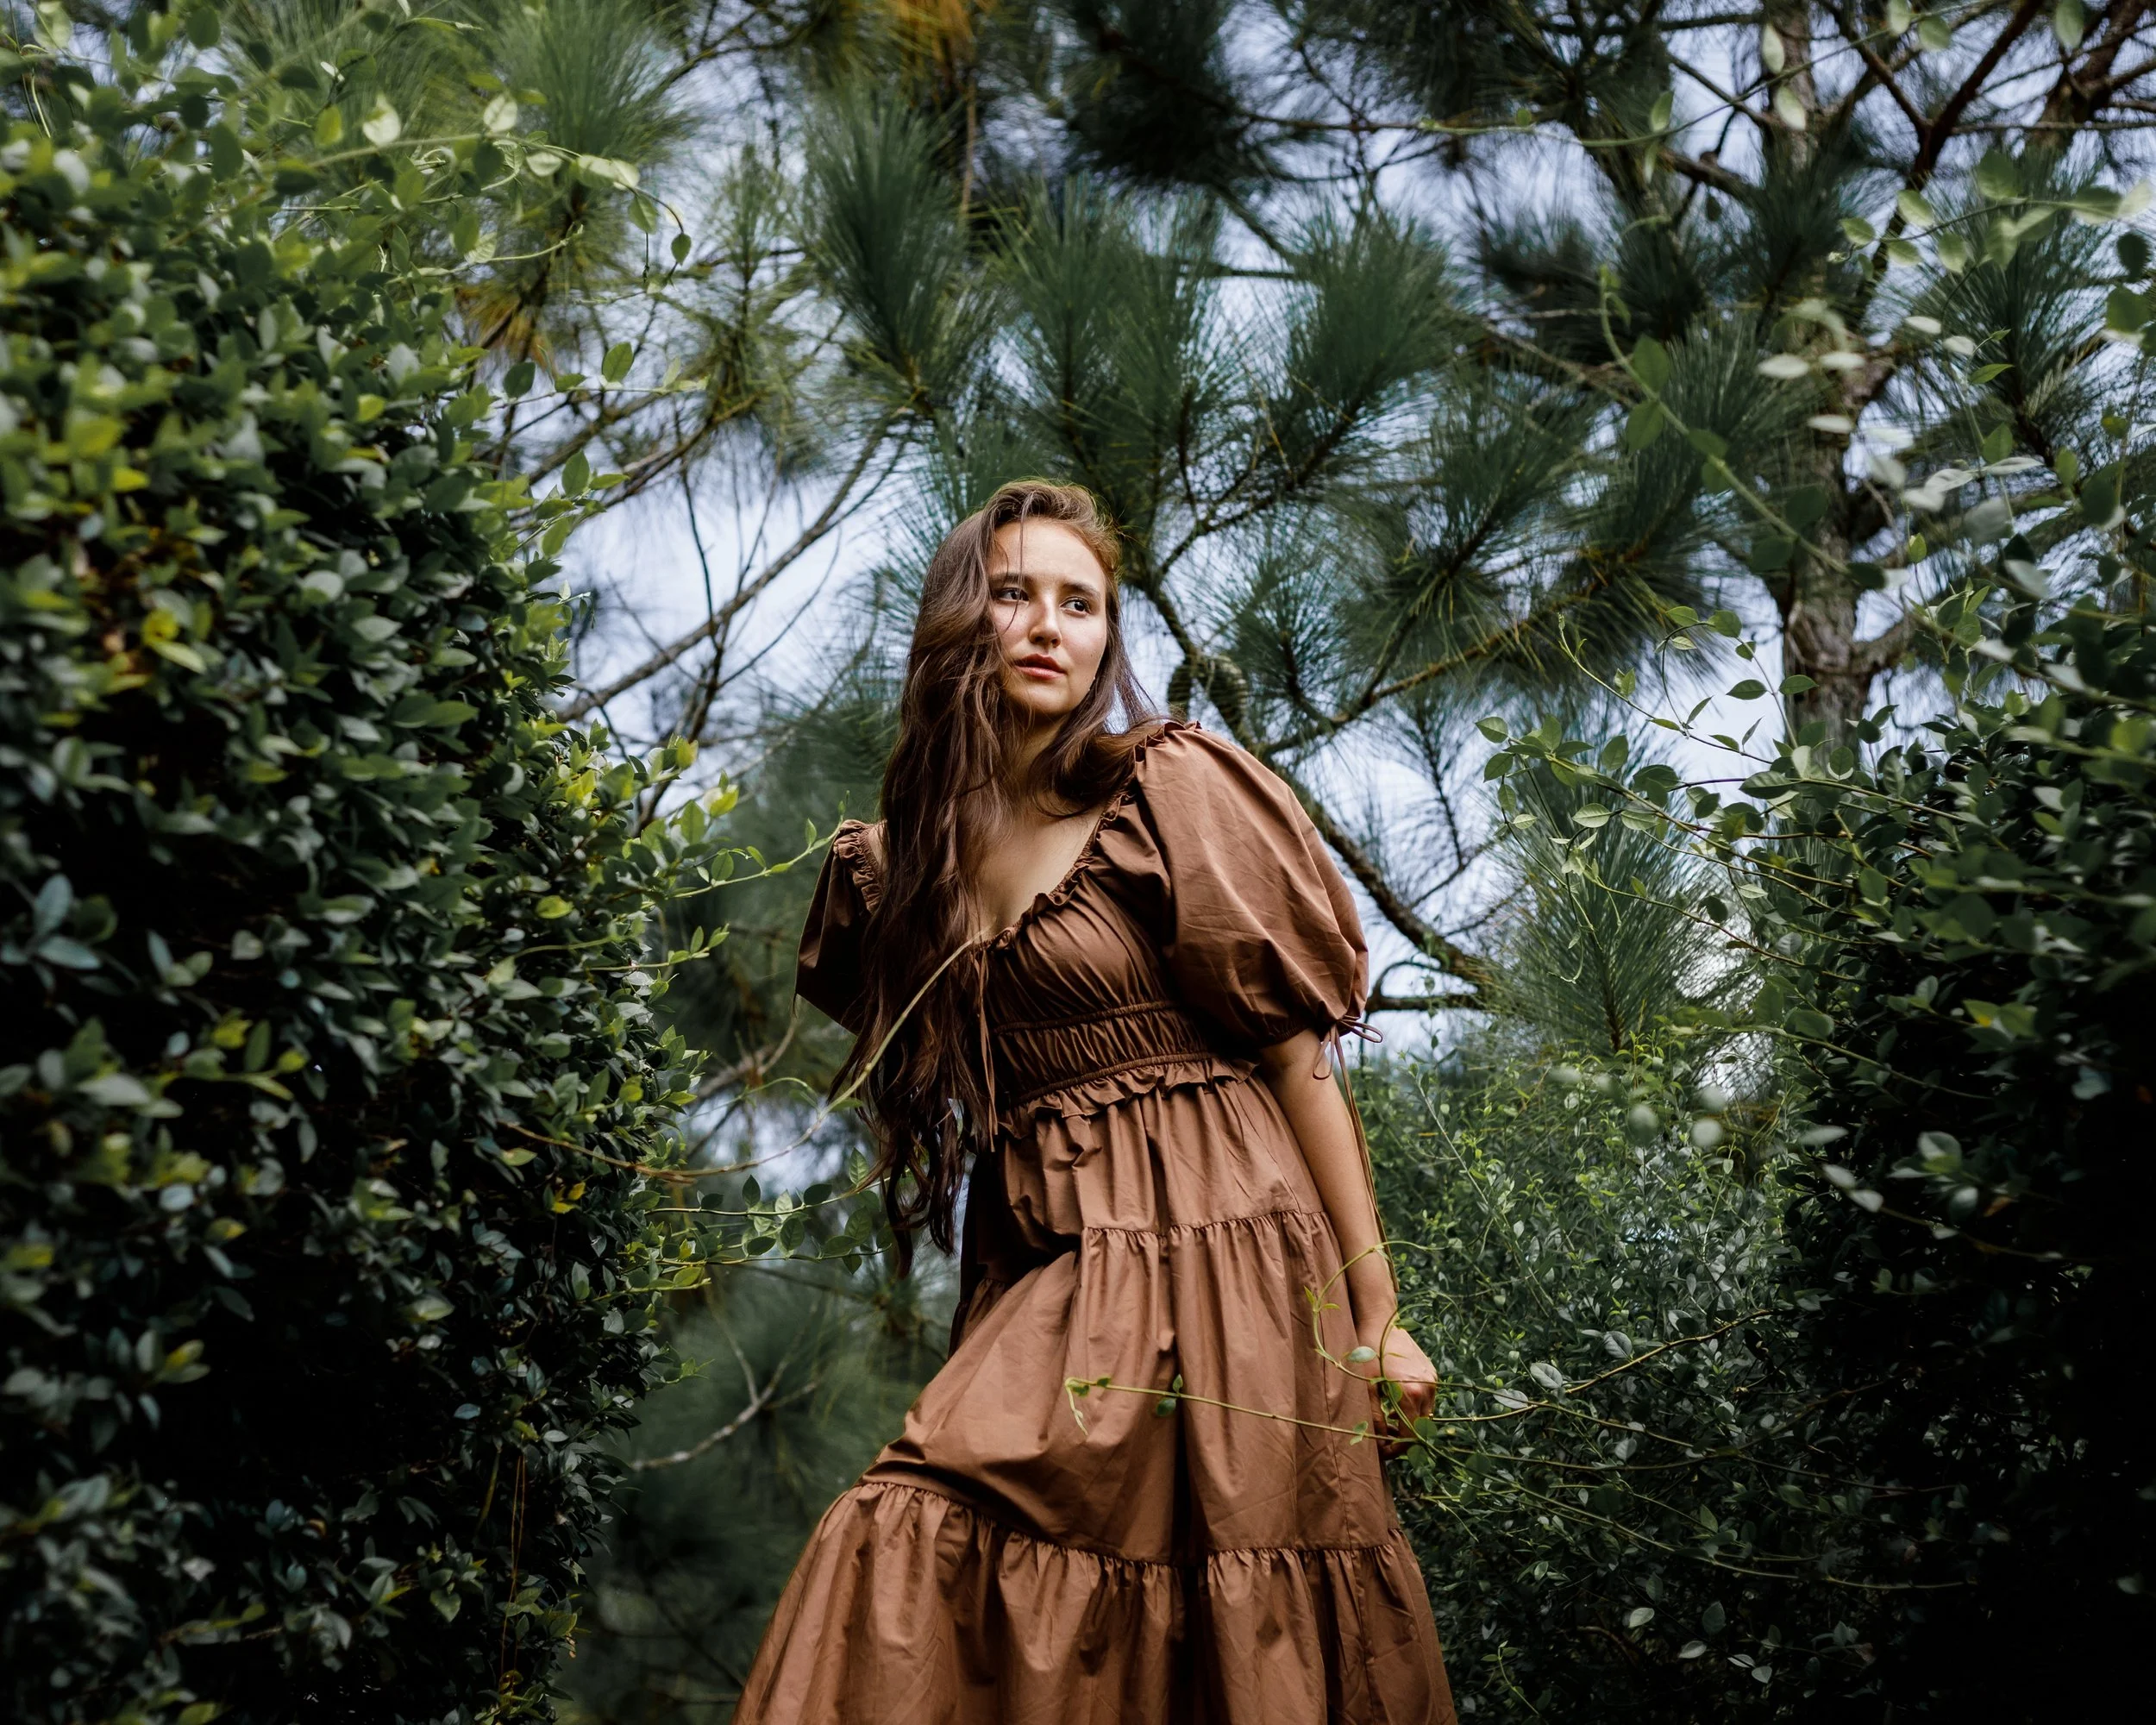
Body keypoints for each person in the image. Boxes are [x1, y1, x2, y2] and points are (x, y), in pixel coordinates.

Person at [734, 480, 1455, 1723]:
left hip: (1233, 1256)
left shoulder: (1165, 793)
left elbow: (1298, 1064)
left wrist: (1377, 1316)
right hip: (1055, 1272)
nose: (1049, 625)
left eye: (1084, 604)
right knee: (922, 1521)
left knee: (1235, 1603)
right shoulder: (899, 873)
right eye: (1014, 592)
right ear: (962, 619)